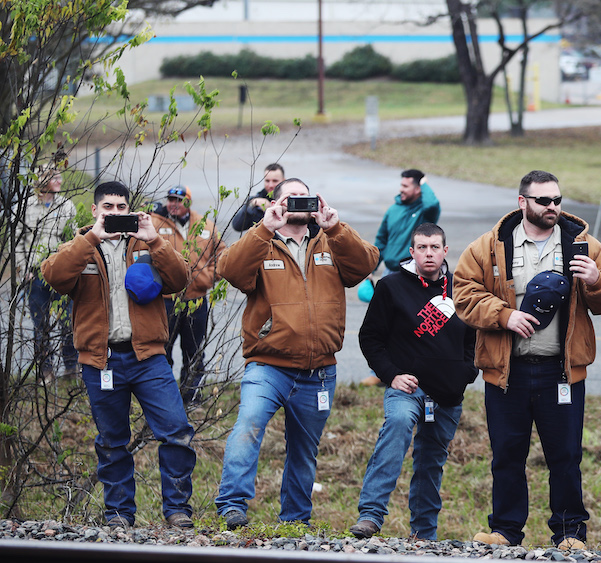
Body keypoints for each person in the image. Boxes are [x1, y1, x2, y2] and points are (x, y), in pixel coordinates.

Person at [454, 170, 601, 550]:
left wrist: (596, 280)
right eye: (544, 200)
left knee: (565, 457)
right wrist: (504, 316)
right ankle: (505, 531)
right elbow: (463, 293)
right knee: (507, 455)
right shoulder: (490, 246)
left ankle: (569, 533)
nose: (552, 207)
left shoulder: (582, 244)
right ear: (522, 202)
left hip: (561, 374)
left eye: (557, 200)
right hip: (507, 373)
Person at [215, 177, 378, 529]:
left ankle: (294, 520)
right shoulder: (262, 242)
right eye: (290, 197)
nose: (298, 202)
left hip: (319, 372)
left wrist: (336, 227)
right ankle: (232, 506)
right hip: (268, 366)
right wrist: (264, 228)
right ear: (276, 203)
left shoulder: (331, 240)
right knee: (248, 426)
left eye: (304, 196)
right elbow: (229, 270)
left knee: (305, 449)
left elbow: (365, 265)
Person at [40, 181, 197, 529]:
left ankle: (177, 510)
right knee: (112, 442)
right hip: (102, 361)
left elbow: (180, 279)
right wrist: (91, 238)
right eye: (108, 207)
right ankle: (119, 514)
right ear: (95, 210)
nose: (114, 213)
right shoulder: (80, 245)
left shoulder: (146, 242)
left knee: (176, 431)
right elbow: (54, 277)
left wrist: (155, 240)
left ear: (130, 209)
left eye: (121, 207)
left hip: (148, 358)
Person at [350, 223, 477, 540]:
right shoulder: (391, 287)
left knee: (430, 463)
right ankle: (371, 515)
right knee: (397, 427)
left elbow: (475, 339)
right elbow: (370, 338)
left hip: (447, 394)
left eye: (434, 247)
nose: (428, 254)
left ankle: (424, 534)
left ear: (445, 251)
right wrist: (391, 375)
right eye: (422, 247)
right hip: (407, 389)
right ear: (412, 251)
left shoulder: (461, 288)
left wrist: (465, 374)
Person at [362, 169, 441, 387]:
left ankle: (414, 371)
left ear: (418, 188)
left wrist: (424, 183)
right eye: (401, 185)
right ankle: (380, 372)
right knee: (383, 323)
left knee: (413, 324)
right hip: (390, 274)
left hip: (414, 275)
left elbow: (433, 204)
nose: (401, 189)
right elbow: (381, 239)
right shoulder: (393, 210)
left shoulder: (425, 212)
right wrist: (372, 268)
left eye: (406, 186)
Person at [152, 184, 227, 405]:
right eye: (170, 200)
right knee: (162, 351)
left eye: (179, 200)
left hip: (197, 300)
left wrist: (207, 278)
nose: (174, 204)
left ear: (188, 202)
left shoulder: (206, 225)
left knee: (193, 352)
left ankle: (191, 396)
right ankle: (164, 398)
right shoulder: (155, 224)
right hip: (165, 301)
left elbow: (222, 256)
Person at [15, 166, 78, 379]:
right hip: (35, 275)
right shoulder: (26, 207)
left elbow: (74, 240)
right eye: (55, 178)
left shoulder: (67, 206)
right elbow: (18, 243)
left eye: (60, 177)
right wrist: (24, 270)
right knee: (40, 324)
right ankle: (46, 371)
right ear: (42, 180)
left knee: (68, 321)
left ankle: (71, 368)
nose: (60, 181)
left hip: (61, 274)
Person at [231, 163, 285, 232]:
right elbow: (237, 226)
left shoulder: (289, 201)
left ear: (283, 181)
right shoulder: (256, 200)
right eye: (267, 181)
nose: (270, 185)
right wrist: (251, 204)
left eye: (275, 181)